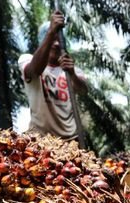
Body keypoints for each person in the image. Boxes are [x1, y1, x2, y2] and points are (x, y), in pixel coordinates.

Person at [18, 11, 88, 142]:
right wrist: (51, 31)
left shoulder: (72, 70)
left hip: (70, 140)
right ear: (44, 40)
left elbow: (83, 90)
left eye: (58, 40)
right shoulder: (27, 60)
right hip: (39, 140)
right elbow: (34, 71)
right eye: (52, 40)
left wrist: (72, 74)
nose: (56, 44)